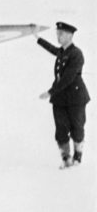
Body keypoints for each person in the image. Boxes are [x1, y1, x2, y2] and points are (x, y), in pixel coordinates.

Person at [37, 22, 89, 168]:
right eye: (58, 33)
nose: (58, 36)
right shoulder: (62, 51)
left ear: (71, 36)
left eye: (62, 34)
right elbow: (53, 49)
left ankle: (78, 156)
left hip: (76, 98)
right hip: (60, 98)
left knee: (77, 127)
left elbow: (68, 78)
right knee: (60, 129)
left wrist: (50, 92)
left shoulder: (76, 54)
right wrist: (37, 37)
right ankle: (66, 158)